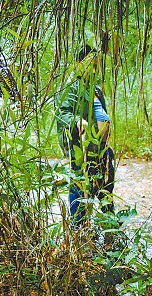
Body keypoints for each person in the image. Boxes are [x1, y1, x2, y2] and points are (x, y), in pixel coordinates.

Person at [56, 45, 115, 224]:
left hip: (101, 151)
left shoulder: (97, 90)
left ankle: (109, 231)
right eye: (91, 65)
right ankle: (77, 231)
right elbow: (62, 114)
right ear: (79, 64)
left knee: (106, 189)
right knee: (80, 188)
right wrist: (77, 121)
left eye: (96, 66)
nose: (94, 70)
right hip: (83, 151)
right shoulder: (72, 89)